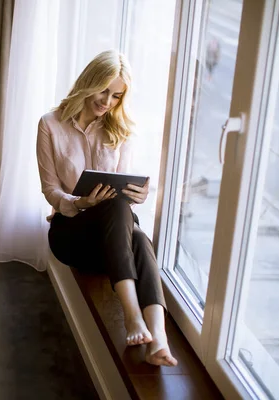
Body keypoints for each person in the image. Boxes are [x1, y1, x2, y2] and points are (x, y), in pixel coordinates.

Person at [36, 50, 178, 367]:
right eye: (103, 91)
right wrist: (79, 202)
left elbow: (122, 188)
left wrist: (137, 195)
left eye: (116, 96)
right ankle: (132, 317)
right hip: (72, 233)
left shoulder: (120, 129)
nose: (107, 102)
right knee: (128, 227)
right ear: (88, 83)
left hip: (113, 234)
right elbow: (50, 189)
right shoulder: (50, 125)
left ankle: (159, 339)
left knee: (137, 235)